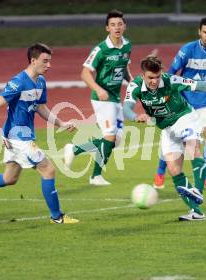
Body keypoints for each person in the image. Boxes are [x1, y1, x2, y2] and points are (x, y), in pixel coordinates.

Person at [0, 43, 79, 224]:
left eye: (50, 61)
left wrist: (61, 123)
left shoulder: (41, 81)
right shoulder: (18, 82)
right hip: (18, 137)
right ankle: (57, 216)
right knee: (48, 170)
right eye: (45, 61)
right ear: (33, 60)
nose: (48, 65)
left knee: (9, 178)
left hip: (20, 137)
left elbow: (40, 107)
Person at [124, 56, 206, 221]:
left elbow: (199, 85)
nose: (154, 81)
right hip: (167, 128)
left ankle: (198, 192)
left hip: (184, 117)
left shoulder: (170, 80)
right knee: (173, 169)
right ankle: (196, 212)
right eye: (150, 77)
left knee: (192, 148)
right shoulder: (134, 86)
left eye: (157, 77)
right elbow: (126, 108)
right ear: (143, 75)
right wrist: (135, 116)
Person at [153, 17, 206, 190]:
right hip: (185, 103)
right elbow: (171, 73)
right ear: (199, 32)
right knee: (175, 139)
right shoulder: (187, 50)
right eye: (205, 32)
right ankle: (159, 173)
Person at [64, 9, 132, 186]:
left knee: (115, 141)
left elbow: (123, 67)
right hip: (102, 99)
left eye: (119, 24)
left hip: (116, 98)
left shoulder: (127, 46)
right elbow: (85, 73)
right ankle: (95, 176)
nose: (116, 27)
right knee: (109, 136)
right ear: (107, 28)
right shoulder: (101, 50)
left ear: (124, 26)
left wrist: (131, 81)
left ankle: (75, 149)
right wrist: (98, 89)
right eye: (112, 25)